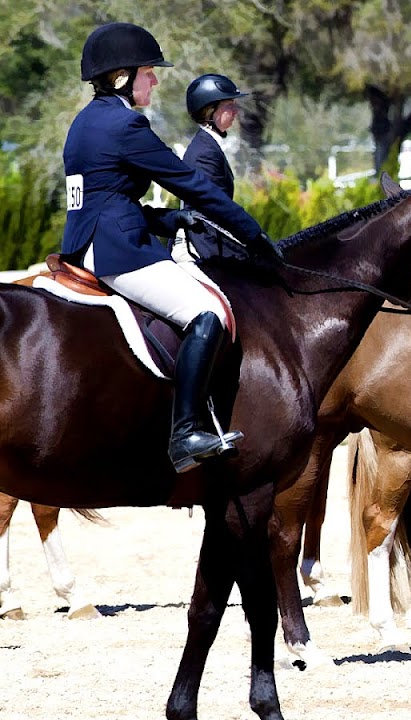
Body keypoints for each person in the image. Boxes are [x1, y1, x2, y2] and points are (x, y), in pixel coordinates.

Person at [63, 22, 280, 473]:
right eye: (148, 73)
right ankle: (185, 433)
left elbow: (105, 198)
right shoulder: (126, 124)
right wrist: (253, 234)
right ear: (122, 76)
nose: (155, 82)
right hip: (118, 250)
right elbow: (193, 185)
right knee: (209, 312)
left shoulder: (84, 123)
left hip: (85, 242)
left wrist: (168, 219)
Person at [179, 73, 251, 261]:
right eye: (229, 105)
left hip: (207, 241)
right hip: (199, 247)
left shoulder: (208, 145)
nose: (236, 111)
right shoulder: (204, 153)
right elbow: (213, 212)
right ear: (209, 111)